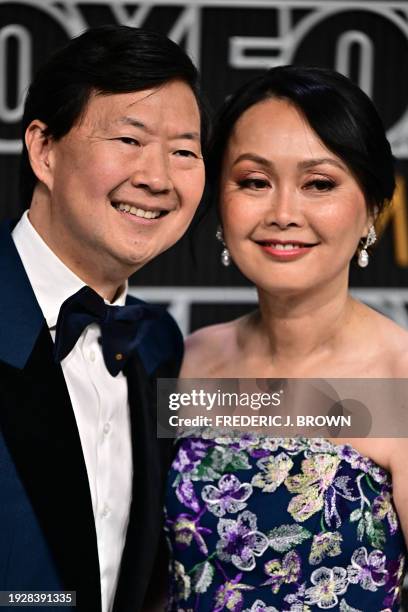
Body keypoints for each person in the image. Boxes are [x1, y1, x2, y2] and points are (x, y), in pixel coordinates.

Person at [164, 66, 408, 611]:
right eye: (254, 181)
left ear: (372, 206)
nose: (282, 214)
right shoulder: (194, 360)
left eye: (319, 183)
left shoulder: (401, 378)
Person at [0, 25, 206, 612]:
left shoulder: (159, 343)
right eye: (128, 139)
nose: (157, 177)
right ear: (44, 150)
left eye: (184, 151)